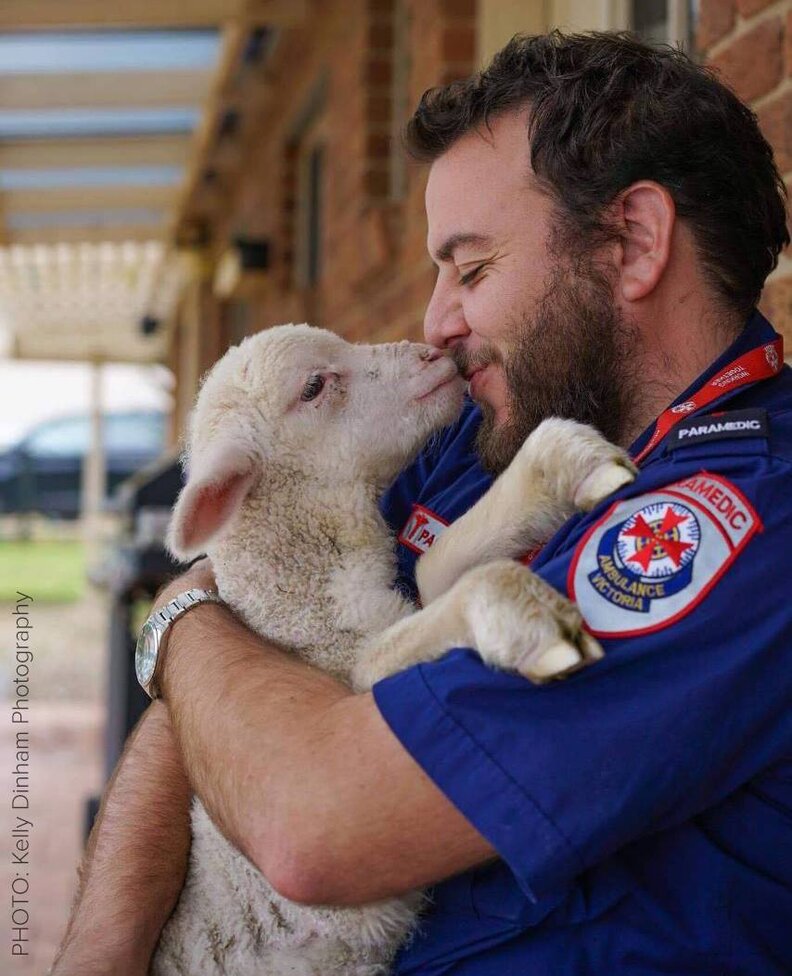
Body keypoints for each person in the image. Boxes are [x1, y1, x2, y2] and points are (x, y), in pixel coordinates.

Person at [53, 31, 792, 975]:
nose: (435, 322)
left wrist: (179, 617)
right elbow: (231, 694)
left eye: (472, 269)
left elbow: (311, 824)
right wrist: (96, 952)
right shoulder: (475, 444)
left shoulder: (741, 522)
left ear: (632, 244)